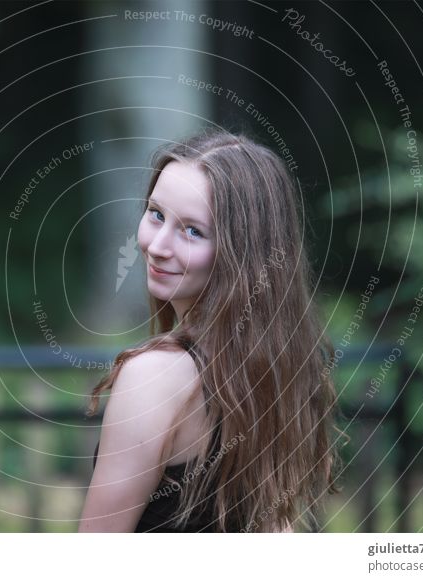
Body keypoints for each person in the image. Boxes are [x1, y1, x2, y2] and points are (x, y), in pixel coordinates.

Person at [78, 128, 344, 533]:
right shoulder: (274, 367)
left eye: (192, 230)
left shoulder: (156, 378)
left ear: (244, 255)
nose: (157, 245)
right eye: (156, 214)